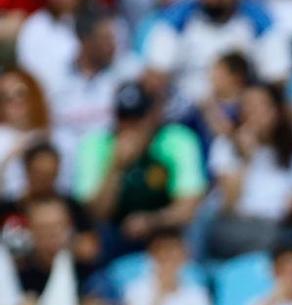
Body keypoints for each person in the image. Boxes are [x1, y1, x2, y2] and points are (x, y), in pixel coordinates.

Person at [142, 0, 292, 115]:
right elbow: (156, 73)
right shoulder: (176, 19)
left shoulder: (258, 20)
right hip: (188, 111)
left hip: (241, 111)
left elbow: (278, 76)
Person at [76, 82, 207, 259]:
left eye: (138, 119)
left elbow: (187, 208)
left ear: (153, 116)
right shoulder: (96, 144)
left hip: (165, 231)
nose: (130, 126)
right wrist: (115, 167)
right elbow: (95, 214)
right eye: (124, 118)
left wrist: (151, 221)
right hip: (115, 234)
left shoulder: (176, 140)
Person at [206, 81, 292, 259]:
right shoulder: (225, 145)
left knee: (283, 236)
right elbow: (229, 204)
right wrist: (245, 158)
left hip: (276, 225)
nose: (254, 113)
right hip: (234, 226)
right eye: (248, 106)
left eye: (261, 106)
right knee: (273, 239)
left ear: (276, 111)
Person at [120, 226, 213, 305]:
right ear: (152, 256)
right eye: (164, 254)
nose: (170, 261)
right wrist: (161, 295)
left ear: (184, 258)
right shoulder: (135, 290)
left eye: (175, 255)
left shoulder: (197, 293)